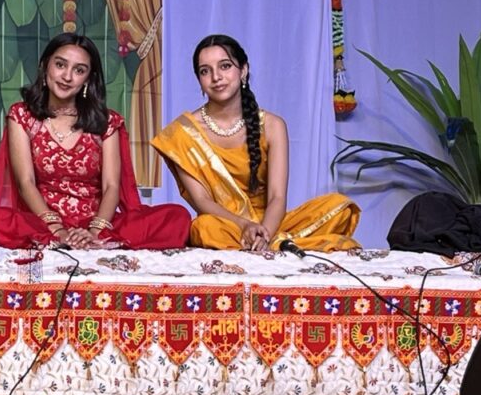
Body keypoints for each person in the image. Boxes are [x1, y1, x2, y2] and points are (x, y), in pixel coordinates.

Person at [151, 33, 360, 252]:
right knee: (203, 228)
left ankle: (269, 244)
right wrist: (245, 225)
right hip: (227, 226)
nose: (216, 77)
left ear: (243, 70)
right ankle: (282, 245)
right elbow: (202, 201)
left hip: (272, 223)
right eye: (205, 71)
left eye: (225, 66)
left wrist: (264, 233)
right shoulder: (182, 133)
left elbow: (277, 197)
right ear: (199, 81)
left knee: (339, 206)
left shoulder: (273, 126)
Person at [0, 32, 191, 250]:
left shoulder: (107, 122)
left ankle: (96, 241)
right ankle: (54, 240)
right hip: (41, 221)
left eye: (79, 70)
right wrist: (58, 230)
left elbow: (111, 186)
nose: (67, 76)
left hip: (97, 221)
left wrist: (93, 232)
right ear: (45, 66)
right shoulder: (22, 116)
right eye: (60, 65)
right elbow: (25, 183)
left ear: (88, 79)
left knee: (176, 216)